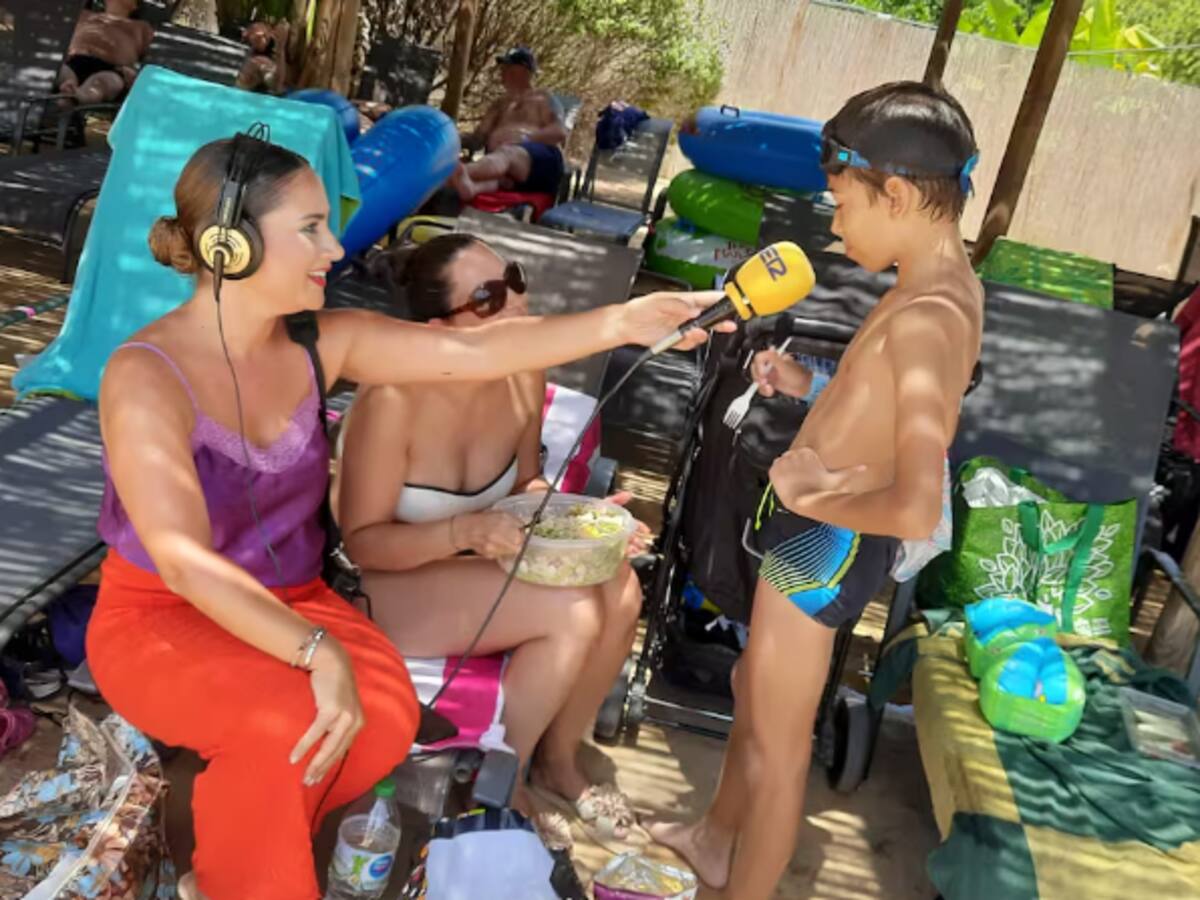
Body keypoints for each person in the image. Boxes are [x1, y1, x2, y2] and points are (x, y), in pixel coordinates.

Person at [88, 133, 726, 900]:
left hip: (294, 602)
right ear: (231, 246)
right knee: (289, 726)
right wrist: (318, 652)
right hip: (164, 615)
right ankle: (249, 877)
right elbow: (183, 562)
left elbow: (482, 351)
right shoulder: (143, 374)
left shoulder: (323, 342)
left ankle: (219, 863)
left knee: (386, 715)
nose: (336, 247)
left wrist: (624, 322)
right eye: (311, 229)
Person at [649, 81, 985, 899]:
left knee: (775, 737)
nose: (834, 225)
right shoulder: (934, 288)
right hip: (814, 524)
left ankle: (744, 886)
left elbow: (915, 501)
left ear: (897, 194)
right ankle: (715, 835)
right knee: (748, 688)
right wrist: (810, 384)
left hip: (823, 540)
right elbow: (882, 398)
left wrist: (812, 495)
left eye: (841, 205)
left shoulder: (927, 319)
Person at [337, 234, 647, 844]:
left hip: (472, 562)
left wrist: (576, 519)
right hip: (382, 585)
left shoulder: (523, 372)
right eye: (488, 296)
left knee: (622, 583)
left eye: (514, 278)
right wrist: (464, 530)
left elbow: (527, 480)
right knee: (572, 608)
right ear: (437, 327)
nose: (516, 302)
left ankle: (561, 756)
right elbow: (362, 544)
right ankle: (508, 777)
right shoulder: (392, 400)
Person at [449, 46, 567, 202]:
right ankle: (471, 187)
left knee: (507, 153)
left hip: (537, 160)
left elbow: (559, 132)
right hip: (503, 169)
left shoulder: (543, 97)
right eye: (503, 67)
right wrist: (450, 138)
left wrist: (525, 139)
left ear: (525, 71)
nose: (503, 71)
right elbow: (477, 140)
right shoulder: (499, 104)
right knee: (498, 173)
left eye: (510, 67)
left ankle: (459, 173)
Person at [57, 0, 154, 107]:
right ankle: (69, 89)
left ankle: (79, 95)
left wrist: (135, 74)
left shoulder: (141, 27)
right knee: (63, 72)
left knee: (101, 84)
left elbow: (150, 60)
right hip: (75, 60)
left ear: (134, 5)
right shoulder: (84, 14)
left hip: (112, 69)